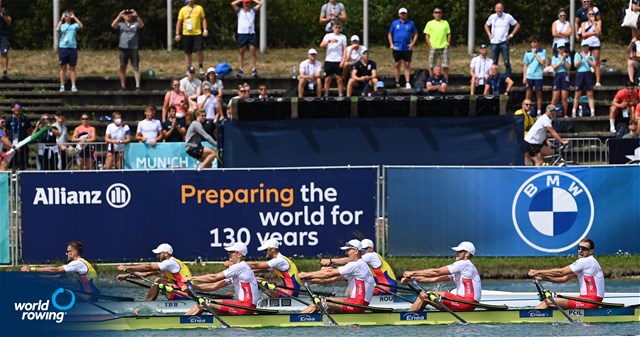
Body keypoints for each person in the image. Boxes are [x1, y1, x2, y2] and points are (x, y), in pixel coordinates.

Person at [402, 241, 481, 312]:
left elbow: (437, 272)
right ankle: (414, 315)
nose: (456, 253)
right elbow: (434, 279)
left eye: (459, 251)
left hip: (466, 302)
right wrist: (411, 278)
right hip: (464, 302)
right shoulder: (462, 269)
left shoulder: (464, 264)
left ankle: (406, 317)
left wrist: (412, 273)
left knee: (425, 295)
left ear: (467, 254)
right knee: (427, 294)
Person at [182, 242, 259, 315]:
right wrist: (192, 287)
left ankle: (181, 322)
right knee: (202, 303)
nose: (229, 254)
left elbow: (213, 278)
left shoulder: (240, 267)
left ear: (239, 254)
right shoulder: (238, 271)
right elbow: (214, 286)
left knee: (204, 303)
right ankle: (184, 320)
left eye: (232, 252)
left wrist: (191, 278)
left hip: (245, 307)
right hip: (243, 306)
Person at [299, 239, 374, 314]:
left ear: (356, 251)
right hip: (357, 304)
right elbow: (332, 278)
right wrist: (311, 281)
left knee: (317, 303)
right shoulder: (360, 266)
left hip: (356, 305)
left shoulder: (356, 264)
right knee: (323, 308)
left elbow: (329, 273)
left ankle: (297, 319)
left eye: (348, 250)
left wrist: (306, 274)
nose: (346, 253)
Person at [528, 238, 604, 309]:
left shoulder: (586, 261)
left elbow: (561, 272)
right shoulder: (590, 262)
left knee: (548, 301)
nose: (580, 251)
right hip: (590, 300)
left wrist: (537, 272)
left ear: (591, 251)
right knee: (555, 301)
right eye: (579, 247)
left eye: (584, 249)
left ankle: (528, 315)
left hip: (589, 301)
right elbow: (563, 279)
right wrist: (543, 278)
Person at [21, 241, 100, 301]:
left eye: (68, 251)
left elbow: (56, 269)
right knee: (61, 289)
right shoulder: (77, 265)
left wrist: (31, 269)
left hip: (91, 297)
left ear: (74, 252)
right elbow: (59, 276)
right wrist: (38, 278)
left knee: (63, 292)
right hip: (90, 295)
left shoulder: (78, 263)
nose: (66, 254)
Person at [117, 243, 192, 301]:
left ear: (166, 253)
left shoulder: (170, 263)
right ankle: (148, 303)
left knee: (158, 280)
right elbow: (145, 274)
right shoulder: (168, 265)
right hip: (182, 292)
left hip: (184, 294)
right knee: (158, 281)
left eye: (159, 253)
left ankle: (147, 305)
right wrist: (126, 276)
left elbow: (148, 267)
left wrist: (127, 267)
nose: (157, 256)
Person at [321, 239, 397, 295]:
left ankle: (347, 303)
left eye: (365, 249)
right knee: (348, 277)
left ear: (371, 249)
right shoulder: (366, 261)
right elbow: (349, 266)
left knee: (353, 280)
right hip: (383, 287)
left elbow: (349, 261)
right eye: (362, 249)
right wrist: (332, 270)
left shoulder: (372, 255)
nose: (363, 251)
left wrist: (330, 261)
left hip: (387, 288)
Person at [111, 8, 144, 91]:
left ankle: (137, 86)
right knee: (122, 67)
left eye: (129, 14)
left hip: (133, 48)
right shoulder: (121, 25)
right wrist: (119, 15)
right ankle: (123, 86)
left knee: (136, 66)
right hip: (123, 48)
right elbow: (113, 25)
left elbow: (141, 25)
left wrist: (137, 16)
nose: (128, 15)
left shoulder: (135, 24)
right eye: (126, 14)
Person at [484, 2, 519, 77]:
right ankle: (494, 79)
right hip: (494, 42)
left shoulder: (508, 16)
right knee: (494, 62)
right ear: (495, 9)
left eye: (500, 8)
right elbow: (486, 25)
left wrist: (511, 35)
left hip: (504, 42)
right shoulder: (492, 17)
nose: (499, 10)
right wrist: (489, 34)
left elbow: (517, 25)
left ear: (503, 9)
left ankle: (508, 77)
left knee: (506, 62)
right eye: (497, 8)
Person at [388, 8, 418, 89]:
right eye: (401, 13)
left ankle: (407, 82)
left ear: (406, 14)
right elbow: (390, 33)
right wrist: (391, 44)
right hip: (397, 47)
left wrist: (412, 44)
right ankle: (397, 82)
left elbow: (415, 34)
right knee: (397, 64)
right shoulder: (395, 23)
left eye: (404, 13)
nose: (403, 15)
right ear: (399, 14)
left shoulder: (410, 23)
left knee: (407, 64)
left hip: (407, 47)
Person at [175, 0, 208, 74]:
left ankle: (200, 67)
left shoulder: (199, 8)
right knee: (188, 52)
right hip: (186, 33)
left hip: (197, 33)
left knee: (199, 50)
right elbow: (179, 22)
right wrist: (177, 34)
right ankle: (189, 68)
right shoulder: (183, 10)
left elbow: (203, 20)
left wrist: (205, 29)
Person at [231, 0, 262, 78]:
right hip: (242, 33)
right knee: (241, 51)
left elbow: (260, 3)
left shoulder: (253, 11)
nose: (247, 4)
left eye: (248, 3)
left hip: (251, 33)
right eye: (245, 3)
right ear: (243, 4)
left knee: (253, 51)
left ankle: (254, 69)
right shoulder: (239, 11)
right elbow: (232, 4)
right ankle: (241, 68)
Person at [56, 10, 84, 92]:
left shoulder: (74, 25)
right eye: (66, 16)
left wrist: (74, 17)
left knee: (72, 67)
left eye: (69, 16)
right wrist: (61, 19)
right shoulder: (62, 25)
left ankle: (73, 85)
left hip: (72, 48)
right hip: (63, 47)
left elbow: (81, 26)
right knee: (63, 67)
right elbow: (57, 28)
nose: (67, 17)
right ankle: (62, 85)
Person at [320, 20, 347, 97]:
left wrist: (343, 60)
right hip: (329, 59)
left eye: (339, 28)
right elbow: (321, 45)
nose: (337, 29)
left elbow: (344, 49)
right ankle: (326, 94)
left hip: (338, 59)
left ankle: (341, 94)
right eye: (336, 27)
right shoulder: (328, 36)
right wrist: (329, 41)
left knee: (339, 78)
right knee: (328, 78)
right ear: (333, 28)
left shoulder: (343, 37)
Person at [571, 40, 597, 118]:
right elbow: (575, 65)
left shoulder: (591, 55)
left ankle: (592, 112)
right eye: (584, 46)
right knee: (577, 94)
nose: (585, 48)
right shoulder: (577, 54)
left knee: (590, 94)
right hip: (580, 73)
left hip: (588, 73)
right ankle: (574, 111)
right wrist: (582, 58)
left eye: (586, 46)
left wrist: (588, 59)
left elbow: (594, 65)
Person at [424, 7, 451, 79]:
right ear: (433, 14)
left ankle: (446, 80)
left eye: (439, 12)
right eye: (436, 12)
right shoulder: (429, 23)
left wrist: (448, 43)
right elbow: (427, 35)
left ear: (441, 14)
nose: (438, 14)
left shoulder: (445, 22)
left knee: (445, 65)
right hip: (433, 46)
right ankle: (431, 79)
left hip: (443, 46)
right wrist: (430, 45)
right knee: (431, 65)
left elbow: (449, 34)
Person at [522, 35, 546, 116]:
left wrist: (535, 54)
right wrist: (524, 76)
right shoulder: (527, 53)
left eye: (535, 42)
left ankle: (539, 111)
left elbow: (542, 62)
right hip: (529, 75)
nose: (533, 44)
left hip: (538, 75)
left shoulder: (542, 51)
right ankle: (527, 110)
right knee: (528, 93)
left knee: (538, 93)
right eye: (532, 42)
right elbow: (525, 65)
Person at [6, 102, 31, 170]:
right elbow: (6, 131)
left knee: (22, 163)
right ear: (12, 109)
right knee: (12, 163)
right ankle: (12, 179)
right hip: (12, 145)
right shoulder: (9, 119)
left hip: (22, 145)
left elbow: (29, 131)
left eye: (19, 107)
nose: (18, 109)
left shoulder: (25, 119)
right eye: (16, 107)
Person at [581, 8, 602, 86]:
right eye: (589, 14)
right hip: (586, 43)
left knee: (597, 62)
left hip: (595, 44)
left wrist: (594, 23)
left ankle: (598, 81)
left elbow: (598, 32)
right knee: (585, 60)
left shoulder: (597, 23)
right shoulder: (583, 24)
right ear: (587, 15)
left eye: (592, 14)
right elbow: (583, 34)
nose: (591, 16)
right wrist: (593, 33)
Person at [550, 42, 571, 117]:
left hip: (564, 75)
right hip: (557, 75)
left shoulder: (567, 57)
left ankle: (565, 113)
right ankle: (550, 113)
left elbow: (568, 67)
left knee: (564, 97)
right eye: (560, 48)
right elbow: (554, 67)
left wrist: (564, 60)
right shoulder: (554, 57)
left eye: (563, 48)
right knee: (555, 97)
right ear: (558, 49)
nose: (561, 50)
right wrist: (561, 60)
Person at [0, 0, 12, 80]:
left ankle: (5, 72)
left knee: (4, 52)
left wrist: (3, 15)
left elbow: (9, 22)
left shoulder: (5, 11)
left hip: (3, 35)